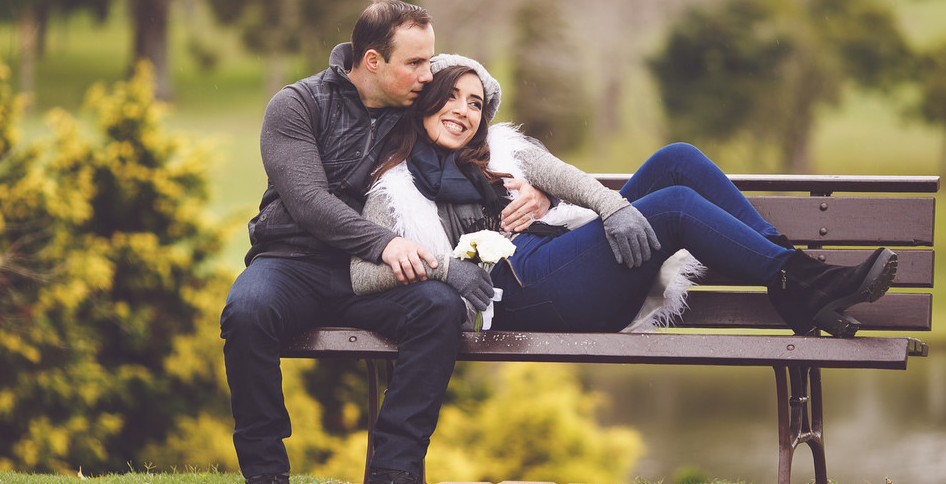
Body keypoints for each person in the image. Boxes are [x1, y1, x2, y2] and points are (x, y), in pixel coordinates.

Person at [220, 2, 550, 484]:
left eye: (430, 61)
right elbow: (307, 200)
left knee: (439, 308)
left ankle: (391, 481)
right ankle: (265, 479)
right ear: (372, 61)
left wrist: (541, 194)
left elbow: (484, 132)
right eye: (415, 63)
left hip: (375, 277)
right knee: (246, 310)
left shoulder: (418, 107)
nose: (429, 74)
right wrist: (384, 243)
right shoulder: (298, 105)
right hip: (293, 263)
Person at [350, 53, 898, 343]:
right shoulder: (394, 187)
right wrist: (445, 267)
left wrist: (568, 203)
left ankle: (795, 277)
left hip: (559, 257)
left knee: (676, 160)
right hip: (517, 290)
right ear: (424, 104)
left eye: (475, 103)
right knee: (673, 206)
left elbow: (572, 179)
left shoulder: (502, 152)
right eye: (450, 97)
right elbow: (361, 275)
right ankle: (802, 284)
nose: (464, 111)